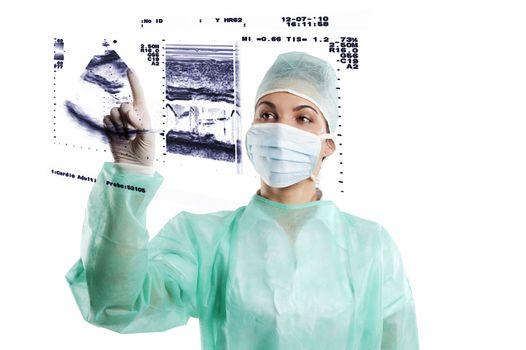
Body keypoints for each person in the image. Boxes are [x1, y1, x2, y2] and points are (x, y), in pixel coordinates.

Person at [66, 51, 419, 349]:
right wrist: (131, 175)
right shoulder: (205, 240)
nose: (281, 129)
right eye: (267, 114)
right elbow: (116, 304)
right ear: (251, 130)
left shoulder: (371, 247)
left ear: (327, 144)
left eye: (303, 118)